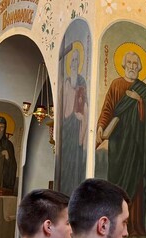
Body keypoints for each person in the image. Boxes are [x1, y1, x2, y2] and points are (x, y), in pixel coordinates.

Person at [96, 50, 146, 237]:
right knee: (116, 184)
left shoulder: (143, 89)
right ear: (123, 65)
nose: (132, 66)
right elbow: (107, 108)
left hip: (137, 146)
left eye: (135, 64)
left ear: (139, 67)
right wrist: (101, 126)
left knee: (136, 185)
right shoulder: (116, 85)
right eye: (129, 63)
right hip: (119, 144)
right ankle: (113, 226)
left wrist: (139, 101)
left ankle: (134, 226)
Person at [59, 42, 88, 195]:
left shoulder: (82, 82)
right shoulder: (67, 82)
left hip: (77, 126)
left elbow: (85, 105)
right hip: (67, 125)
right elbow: (63, 105)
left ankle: (75, 193)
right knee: (66, 161)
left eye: (77, 60)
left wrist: (82, 117)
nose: (74, 63)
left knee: (75, 160)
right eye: (73, 60)